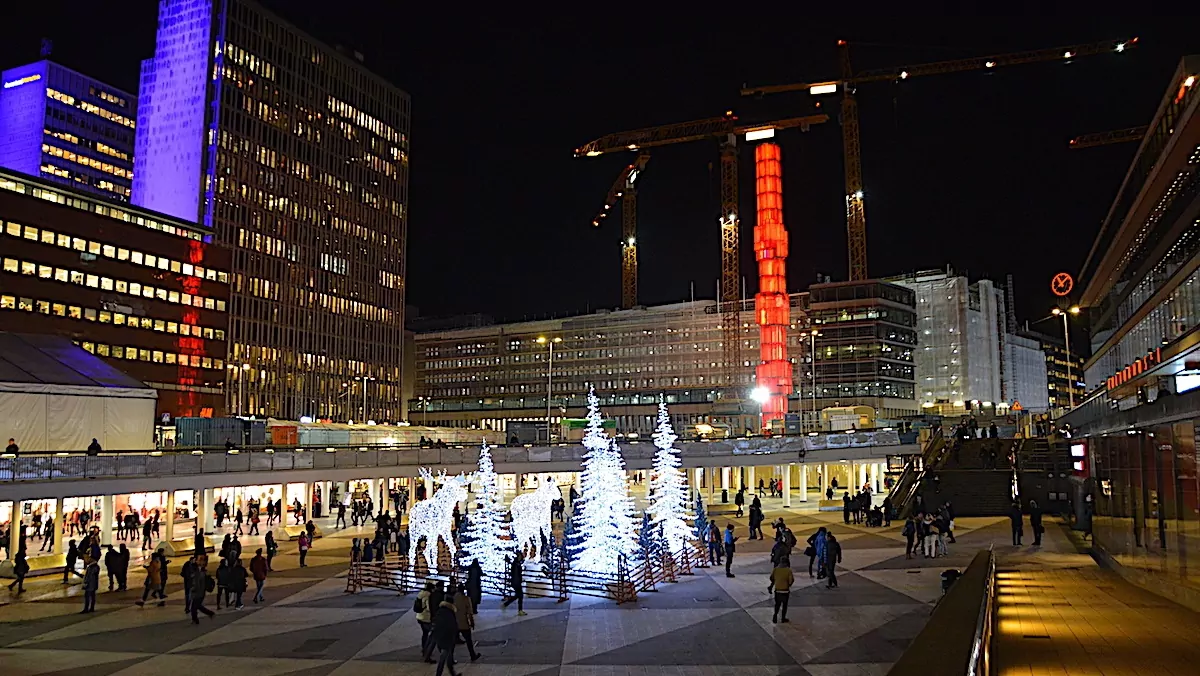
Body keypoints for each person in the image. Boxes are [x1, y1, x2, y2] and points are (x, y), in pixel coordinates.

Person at [432, 590, 462, 676]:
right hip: (446, 639)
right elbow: (453, 626)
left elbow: (435, 623)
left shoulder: (440, 611)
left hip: (439, 637)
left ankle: (453, 673)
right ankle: (439, 674)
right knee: (443, 658)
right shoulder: (450, 613)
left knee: (448, 657)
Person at [452, 583, 482, 661]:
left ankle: (450, 658)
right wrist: (472, 623)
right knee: (469, 641)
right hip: (464, 623)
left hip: (454, 622)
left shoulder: (454, 597)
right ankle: (472, 655)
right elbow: (470, 613)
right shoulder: (466, 599)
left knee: (452, 642)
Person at [768, 556, 795, 623]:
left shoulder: (776, 569)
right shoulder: (788, 570)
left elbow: (771, 578)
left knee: (777, 604)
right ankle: (783, 618)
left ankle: (775, 616)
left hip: (777, 590)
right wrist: (789, 585)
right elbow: (791, 581)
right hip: (785, 590)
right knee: (784, 605)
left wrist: (776, 582)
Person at [190, 557, 215, 623]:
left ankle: (208, 614)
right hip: (200, 592)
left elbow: (197, 583)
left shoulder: (199, 574)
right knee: (196, 606)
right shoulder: (202, 572)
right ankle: (196, 619)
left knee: (195, 607)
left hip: (198, 592)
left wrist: (193, 589)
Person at [415, 581, 435, 663]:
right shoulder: (428, 595)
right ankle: (427, 651)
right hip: (425, 617)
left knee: (425, 634)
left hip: (419, 616)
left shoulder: (420, 593)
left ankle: (424, 648)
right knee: (432, 635)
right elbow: (428, 608)